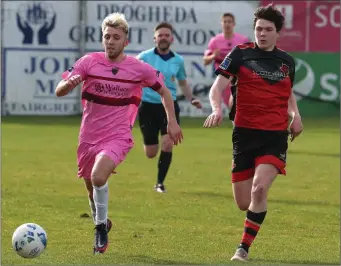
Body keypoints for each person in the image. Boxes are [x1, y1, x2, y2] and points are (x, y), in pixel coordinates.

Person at [55, 13, 183, 254]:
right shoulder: (88, 62)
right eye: (107, 36)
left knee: (98, 177)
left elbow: (165, 93)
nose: (110, 41)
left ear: (125, 41)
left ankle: (100, 229)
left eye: (116, 37)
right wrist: (68, 84)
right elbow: (59, 89)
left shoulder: (138, 68)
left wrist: (172, 122)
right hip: (88, 136)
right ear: (102, 39)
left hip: (118, 135)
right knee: (91, 187)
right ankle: (100, 219)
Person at [203, 4, 303, 261]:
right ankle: (252, 219)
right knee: (243, 202)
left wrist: (296, 116)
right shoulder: (240, 54)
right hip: (244, 135)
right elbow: (216, 88)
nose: (262, 34)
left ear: (277, 32)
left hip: (274, 135)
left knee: (260, 190)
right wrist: (216, 109)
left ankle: (243, 248)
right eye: (259, 29)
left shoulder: (287, 62)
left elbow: (288, 94)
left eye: (268, 29)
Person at [136, 22, 202, 193]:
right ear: (154, 38)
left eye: (167, 35)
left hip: (169, 107)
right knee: (151, 152)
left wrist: (192, 98)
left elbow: (182, 82)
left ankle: (160, 183)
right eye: (160, 35)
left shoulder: (178, 60)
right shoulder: (143, 57)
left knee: (167, 144)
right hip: (148, 107)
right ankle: (150, 145)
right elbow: (131, 78)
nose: (163, 38)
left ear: (172, 38)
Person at [203, 13, 249, 110]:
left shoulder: (242, 40)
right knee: (231, 106)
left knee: (237, 106)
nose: (227, 24)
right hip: (224, 78)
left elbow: (249, 59)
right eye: (225, 22)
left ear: (234, 24)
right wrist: (213, 56)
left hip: (239, 78)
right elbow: (205, 61)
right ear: (221, 24)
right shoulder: (215, 41)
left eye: (229, 22)